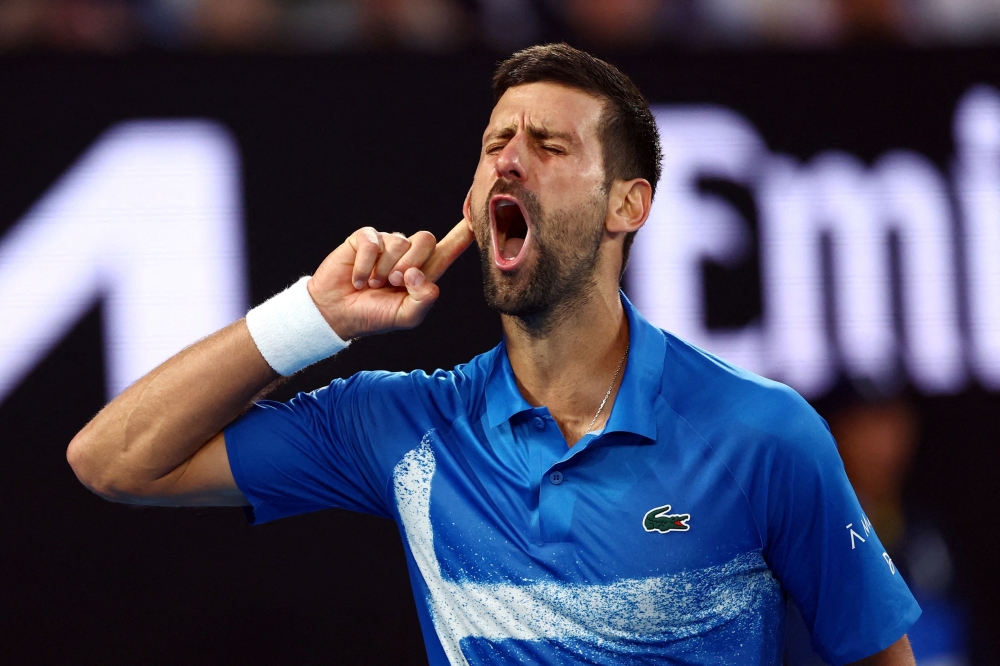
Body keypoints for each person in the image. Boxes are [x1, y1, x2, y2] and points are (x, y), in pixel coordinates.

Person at [67, 43, 920, 665]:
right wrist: (314, 318)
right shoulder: (402, 426)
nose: (510, 158)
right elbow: (113, 461)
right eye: (493, 145)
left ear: (630, 204)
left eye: (549, 147)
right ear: (475, 204)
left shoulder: (763, 433)